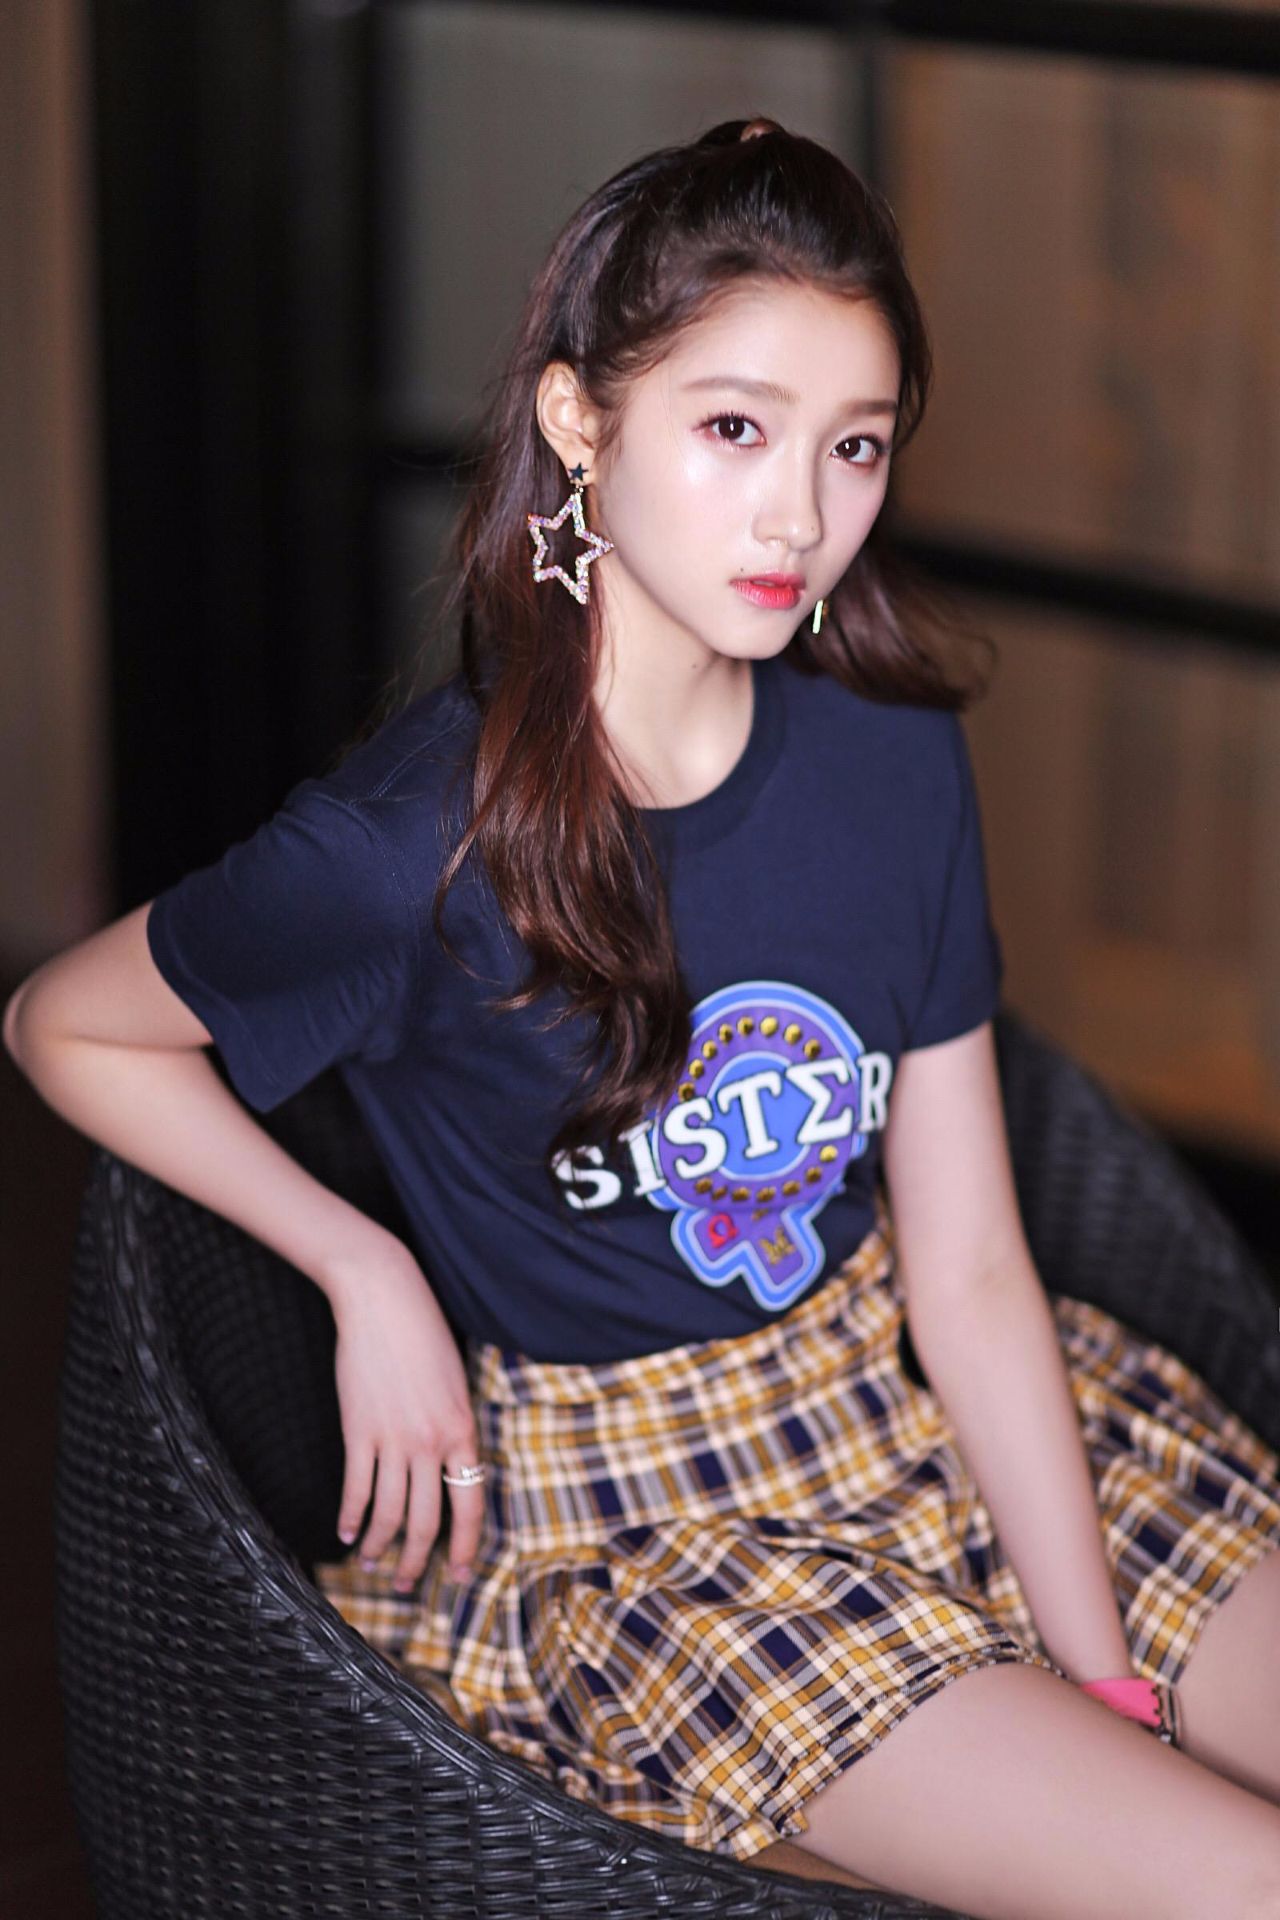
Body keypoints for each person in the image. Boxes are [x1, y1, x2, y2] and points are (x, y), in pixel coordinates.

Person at [6, 116, 1280, 1920]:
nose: (800, 516)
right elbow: (65, 1025)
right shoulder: (411, 847)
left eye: (855, 446)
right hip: (664, 1526)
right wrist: (362, 1264)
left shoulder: (893, 757)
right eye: (736, 429)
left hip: (930, 1390)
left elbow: (975, 1264)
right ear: (579, 422)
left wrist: (1103, 1683)